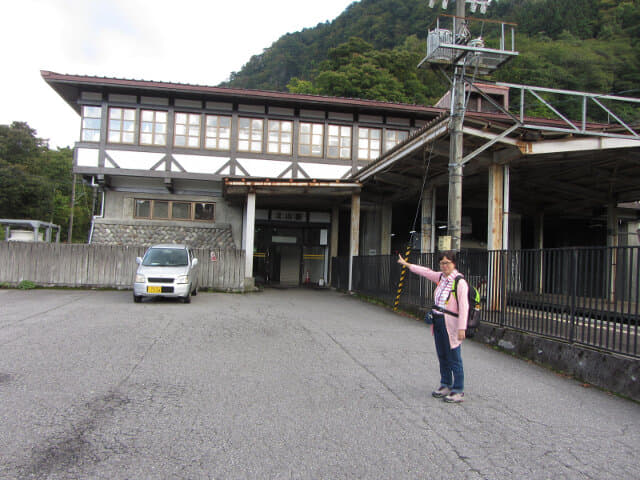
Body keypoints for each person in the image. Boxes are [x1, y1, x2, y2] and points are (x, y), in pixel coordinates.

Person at [397, 250, 469, 403]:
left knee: (454, 357)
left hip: (451, 323)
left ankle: (458, 390)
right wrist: (407, 264)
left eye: (447, 263)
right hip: (437, 320)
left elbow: (464, 307)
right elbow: (426, 272)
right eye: (442, 263)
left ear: (453, 263)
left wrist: (462, 328)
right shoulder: (441, 278)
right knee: (442, 355)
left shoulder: (459, 282)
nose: (444, 266)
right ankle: (446, 384)